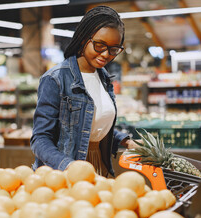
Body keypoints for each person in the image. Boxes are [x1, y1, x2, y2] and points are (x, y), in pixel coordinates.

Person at [30, 5, 138, 177]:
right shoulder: (56, 79)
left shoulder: (103, 77)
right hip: (62, 172)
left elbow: (90, 125)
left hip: (97, 164)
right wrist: (69, 166)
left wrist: (125, 141)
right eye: (99, 45)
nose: (105, 54)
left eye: (113, 49)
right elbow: (40, 139)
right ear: (83, 39)